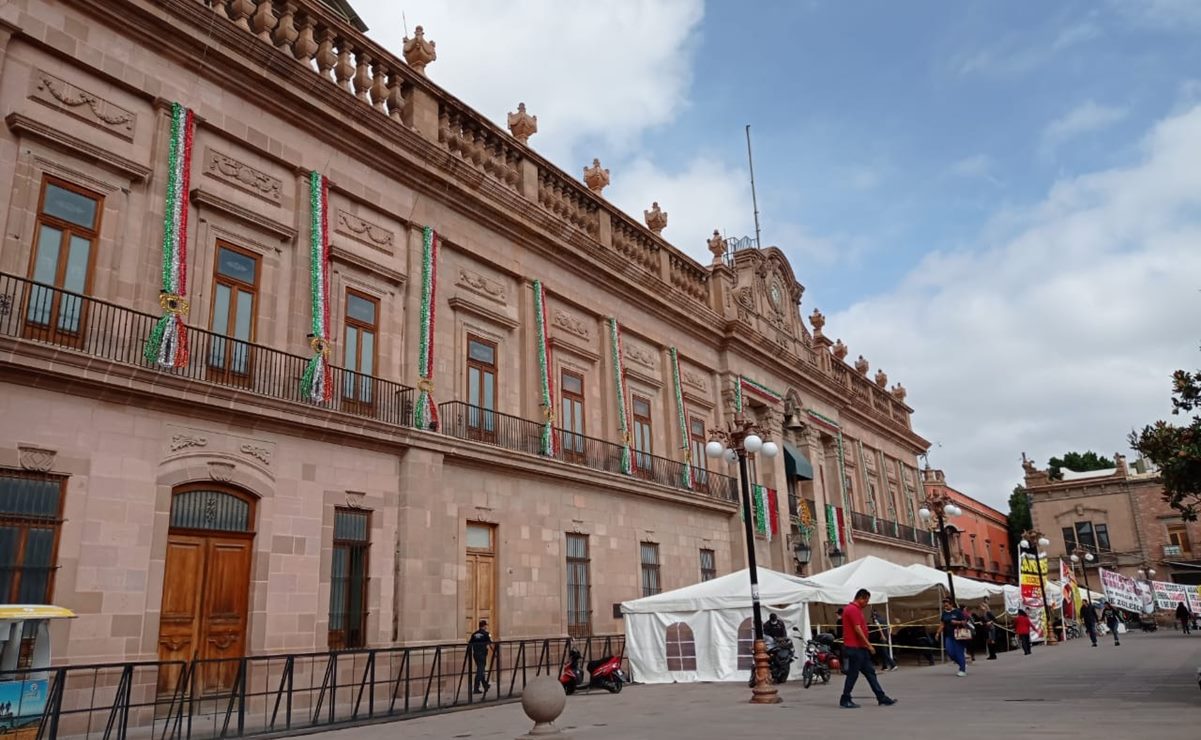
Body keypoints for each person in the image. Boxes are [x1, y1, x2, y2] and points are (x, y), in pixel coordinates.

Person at [838, 588, 897, 709]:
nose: (867, 603)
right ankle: (845, 698)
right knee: (853, 674)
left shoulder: (853, 609)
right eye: (866, 601)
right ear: (861, 598)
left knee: (870, 672)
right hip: (855, 647)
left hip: (860, 647)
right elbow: (857, 629)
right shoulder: (853, 609)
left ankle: (881, 697)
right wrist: (868, 644)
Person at [936, 598, 969, 676]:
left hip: (958, 635)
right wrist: (937, 633)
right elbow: (942, 624)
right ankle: (962, 664)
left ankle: (962, 670)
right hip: (949, 635)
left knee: (959, 652)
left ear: (951, 604)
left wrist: (957, 622)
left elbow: (965, 622)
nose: (945, 606)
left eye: (947, 605)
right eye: (944, 605)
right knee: (950, 652)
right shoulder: (944, 613)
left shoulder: (958, 611)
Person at [468, 619, 492, 694]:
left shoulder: (474, 634)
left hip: (476, 654)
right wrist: (494, 652)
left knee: (480, 670)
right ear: (484, 626)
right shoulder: (486, 634)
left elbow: (470, 643)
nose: (486, 627)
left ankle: (485, 685)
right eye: (486, 626)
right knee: (480, 671)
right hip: (482, 654)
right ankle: (476, 688)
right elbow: (490, 643)